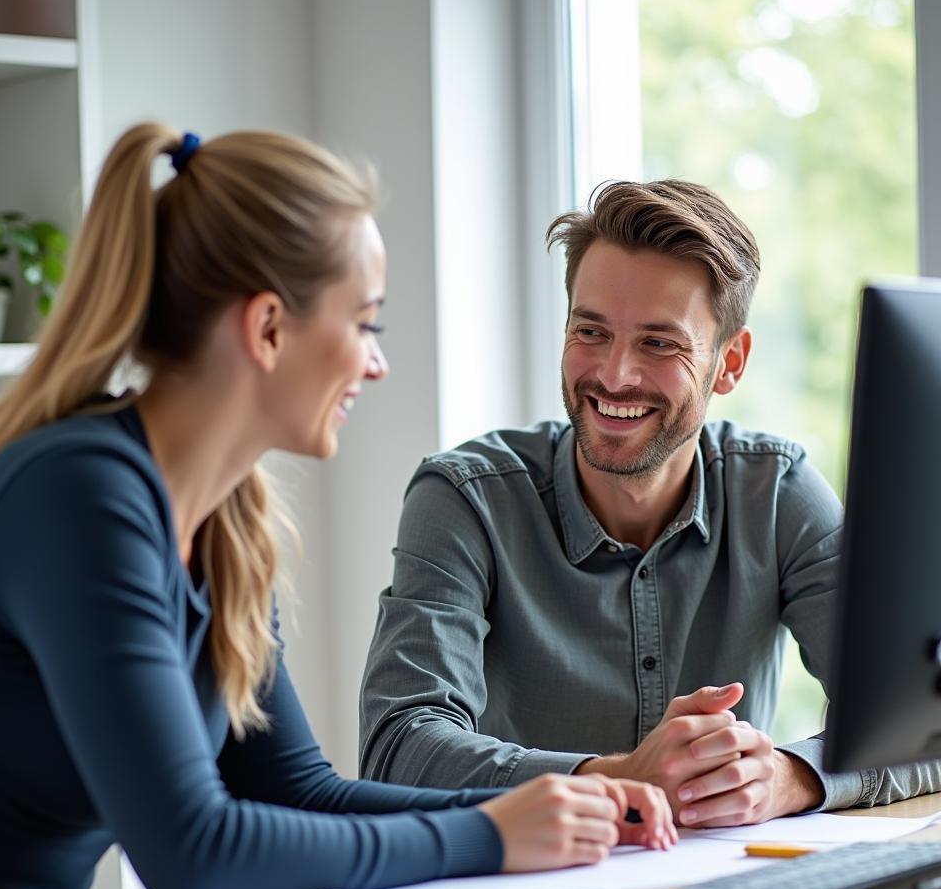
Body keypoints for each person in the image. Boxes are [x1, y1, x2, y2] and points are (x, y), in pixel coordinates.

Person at [0, 125, 676, 889]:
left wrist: (552, 803)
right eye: (366, 324)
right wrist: (489, 837)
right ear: (269, 328)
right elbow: (193, 853)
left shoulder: (224, 526)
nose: (376, 365)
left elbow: (293, 792)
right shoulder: (78, 497)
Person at [359, 179, 941, 826]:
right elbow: (397, 745)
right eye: (590, 331)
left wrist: (789, 776)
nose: (613, 375)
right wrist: (614, 780)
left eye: (659, 343)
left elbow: (926, 722)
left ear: (730, 362)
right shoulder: (466, 499)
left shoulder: (776, 492)